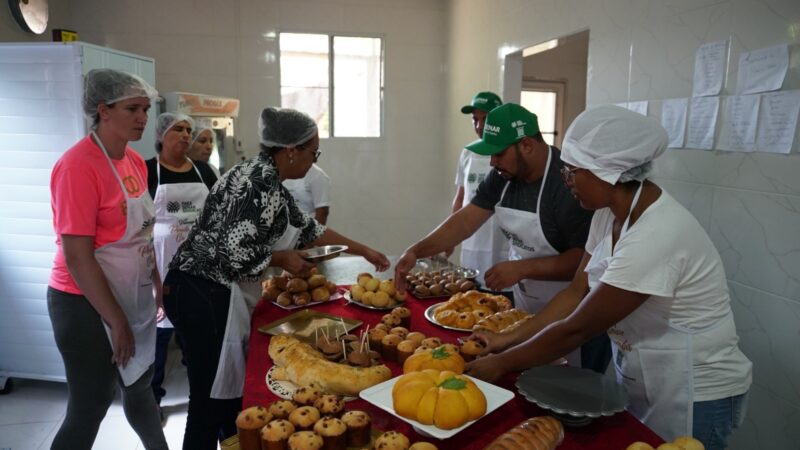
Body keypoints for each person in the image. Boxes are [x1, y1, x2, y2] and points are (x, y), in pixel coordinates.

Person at [464, 105, 752, 449]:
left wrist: (502, 363)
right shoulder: (606, 215)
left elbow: (578, 328)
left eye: (572, 172)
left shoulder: (657, 233)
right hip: (644, 371)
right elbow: (575, 293)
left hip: (694, 387)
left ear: (608, 174)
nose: (566, 181)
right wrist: (506, 338)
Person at [163, 107, 390, 450]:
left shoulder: (269, 181)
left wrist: (364, 251)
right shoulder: (256, 183)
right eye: (314, 152)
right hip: (202, 291)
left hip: (201, 289)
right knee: (207, 404)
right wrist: (282, 258)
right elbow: (232, 253)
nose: (314, 160)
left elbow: (311, 230)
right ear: (291, 150)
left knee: (224, 402)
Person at [395, 103, 609, 372]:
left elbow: (583, 262)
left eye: (498, 153)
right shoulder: (503, 176)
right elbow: (466, 220)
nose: (492, 162)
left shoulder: (567, 185)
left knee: (564, 380)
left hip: (571, 309)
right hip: (526, 303)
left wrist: (523, 268)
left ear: (527, 145)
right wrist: (417, 250)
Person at [47, 69, 168, 450]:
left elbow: (142, 233)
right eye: (132, 109)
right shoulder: (78, 166)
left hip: (128, 292)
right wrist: (116, 320)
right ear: (103, 110)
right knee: (92, 401)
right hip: (81, 301)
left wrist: (156, 284)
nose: (143, 118)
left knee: (139, 386)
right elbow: (77, 257)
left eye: (145, 109)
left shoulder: (133, 161)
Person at [146, 112, 218, 415]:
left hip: (201, 269)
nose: (186, 134)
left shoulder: (205, 171)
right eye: (179, 129)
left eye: (190, 129)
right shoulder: (147, 171)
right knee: (159, 337)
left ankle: (202, 399)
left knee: (199, 337)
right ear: (162, 135)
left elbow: (220, 215)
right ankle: (152, 401)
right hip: (160, 267)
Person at [450, 91, 509, 286]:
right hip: (472, 243)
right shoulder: (468, 152)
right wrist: (451, 237)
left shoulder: (509, 153)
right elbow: (460, 198)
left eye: (485, 119)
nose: (479, 126)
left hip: (501, 246)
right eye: (475, 119)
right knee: (470, 293)